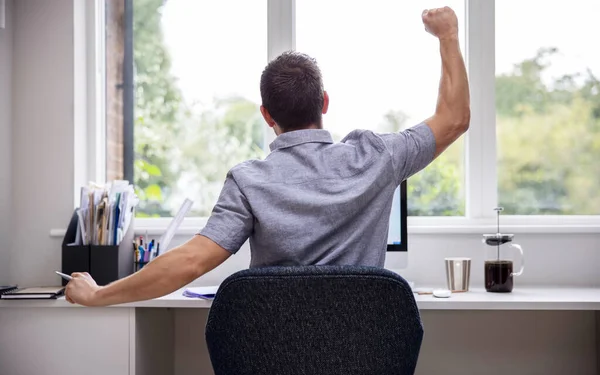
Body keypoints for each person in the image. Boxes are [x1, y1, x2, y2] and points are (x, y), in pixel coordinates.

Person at [66, 7, 469, 306]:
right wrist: (448, 35)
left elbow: (191, 261)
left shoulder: (248, 181)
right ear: (324, 102)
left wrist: (99, 294)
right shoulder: (377, 156)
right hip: (368, 360)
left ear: (266, 115)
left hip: (272, 363)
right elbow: (454, 119)